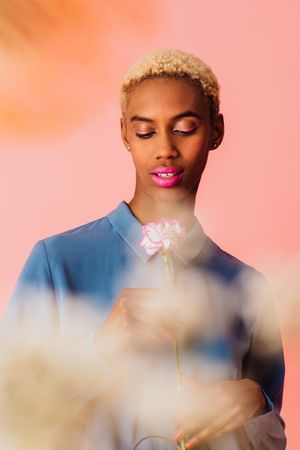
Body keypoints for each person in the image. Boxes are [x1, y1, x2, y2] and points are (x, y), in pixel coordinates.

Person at [3, 49, 286, 450]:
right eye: (145, 131)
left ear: (216, 131)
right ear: (124, 135)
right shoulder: (57, 262)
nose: (166, 149)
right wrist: (102, 346)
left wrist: (256, 405)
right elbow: (10, 412)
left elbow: (272, 443)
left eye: (185, 128)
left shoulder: (245, 285)